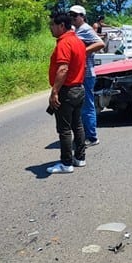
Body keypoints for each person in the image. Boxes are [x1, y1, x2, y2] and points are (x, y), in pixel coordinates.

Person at [47, 11, 87, 173]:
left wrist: (54, 92)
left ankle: (66, 163)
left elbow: (63, 68)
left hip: (67, 90)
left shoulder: (64, 43)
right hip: (79, 88)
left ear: (61, 25)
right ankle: (80, 158)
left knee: (64, 129)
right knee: (77, 125)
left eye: (52, 25)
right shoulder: (78, 41)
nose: (51, 28)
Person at [69, 5, 105, 147]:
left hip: (87, 73)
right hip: (79, 73)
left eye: (75, 15)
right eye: (71, 15)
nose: (73, 17)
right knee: (80, 106)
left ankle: (92, 137)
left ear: (82, 16)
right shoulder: (75, 30)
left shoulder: (86, 29)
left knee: (87, 106)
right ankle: (84, 134)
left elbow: (100, 43)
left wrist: (82, 51)